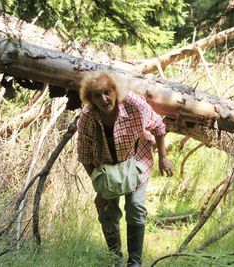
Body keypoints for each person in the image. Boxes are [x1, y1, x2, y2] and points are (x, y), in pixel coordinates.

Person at [77, 70, 174, 267]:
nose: (104, 99)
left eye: (107, 92)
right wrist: (100, 189)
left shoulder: (134, 105)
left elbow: (158, 127)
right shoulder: (88, 117)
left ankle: (135, 262)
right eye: (97, 95)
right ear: (90, 98)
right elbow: (85, 154)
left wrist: (164, 157)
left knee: (135, 206)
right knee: (107, 211)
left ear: (115, 90)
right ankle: (116, 259)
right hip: (107, 169)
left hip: (136, 161)